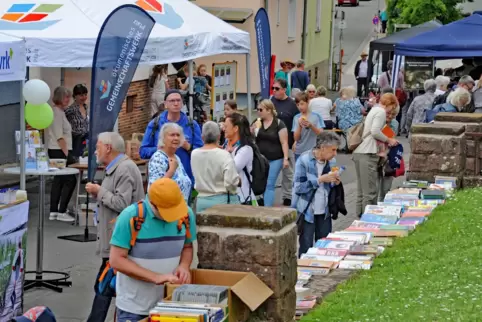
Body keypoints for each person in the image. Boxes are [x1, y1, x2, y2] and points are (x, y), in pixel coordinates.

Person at [109, 178, 196, 321]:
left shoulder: (186, 214)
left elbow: (187, 246)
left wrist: (184, 266)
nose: (173, 216)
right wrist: (156, 277)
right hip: (135, 307)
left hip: (170, 306)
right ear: (153, 205)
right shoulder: (130, 216)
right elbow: (116, 260)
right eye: (169, 212)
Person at [84, 132, 145, 322]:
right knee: (107, 285)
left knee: (104, 286)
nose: (95, 151)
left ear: (109, 148)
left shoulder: (124, 169)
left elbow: (122, 204)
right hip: (116, 239)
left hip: (119, 241)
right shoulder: (117, 168)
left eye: (98, 147)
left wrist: (99, 191)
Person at [140, 89, 203, 185]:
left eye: (178, 100)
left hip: (185, 178)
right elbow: (143, 152)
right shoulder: (155, 124)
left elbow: (201, 153)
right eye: (172, 101)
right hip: (161, 178)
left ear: (182, 103)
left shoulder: (191, 124)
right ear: (165, 104)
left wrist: (188, 147)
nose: (176, 103)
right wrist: (159, 149)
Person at [293, 132, 341, 255]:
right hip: (307, 210)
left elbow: (329, 187)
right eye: (333, 150)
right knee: (306, 248)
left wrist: (335, 182)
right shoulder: (304, 160)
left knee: (323, 247)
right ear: (323, 148)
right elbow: (298, 188)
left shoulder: (332, 162)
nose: (335, 154)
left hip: (324, 211)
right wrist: (319, 180)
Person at [353, 93, 399, 217]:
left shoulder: (374, 110)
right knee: (370, 192)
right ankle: (369, 219)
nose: (391, 112)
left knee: (362, 191)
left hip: (360, 152)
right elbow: (375, 132)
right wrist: (389, 140)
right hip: (368, 153)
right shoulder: (381, 112)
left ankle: (360, 216)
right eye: (392, 107)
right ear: (390, 104)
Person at [191, 122, 240, 212]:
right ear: (218, 136)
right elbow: (230, 182)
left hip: (201, 200)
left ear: (202, 137)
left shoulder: (194, 154)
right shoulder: (224, 155)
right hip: (223, 201)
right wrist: (238, 181)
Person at [45, 86, 76, 222]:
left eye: (68, 97)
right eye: (65, 97)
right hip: (59, 150)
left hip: (57, 149)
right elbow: (59, 136)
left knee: (59, 180)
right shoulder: (56, 113)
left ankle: (54, 210)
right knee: (69, 179)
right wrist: (67, 155)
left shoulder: (59, 112)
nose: (68, 99)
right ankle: (61, 210)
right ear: (59, 97)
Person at [252, 99, 289, 207]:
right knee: (261, 182)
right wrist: (252, 131)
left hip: (275, 158)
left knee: (269, 184)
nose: (258, 111)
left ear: (269, 110)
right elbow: (251, 137)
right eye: (258, 109)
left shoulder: (278, 124)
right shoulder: (257, 122)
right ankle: (262, 202)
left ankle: (267, 209)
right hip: (260, 159)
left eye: (260, 109)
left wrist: (286, 158)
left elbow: (284, 142)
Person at [271, 78, 298, 206]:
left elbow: (296, 123)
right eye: (273, 88)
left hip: (288, 142)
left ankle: (288, 196)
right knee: (271, 171)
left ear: (284, 89)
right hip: (273, 142)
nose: (274, 91)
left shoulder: (292, 104)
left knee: (288, 172)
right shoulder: (271, 102)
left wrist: (296, 140)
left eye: (277, 88)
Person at [148, 123, 192, 202]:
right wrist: (171, 171)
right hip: (164, 211)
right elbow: (155, 189)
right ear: (163, 138)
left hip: (180, 209)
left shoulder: (176, 157)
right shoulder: (158, 158)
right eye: (172, 135)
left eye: (178, 135)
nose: (176, 138)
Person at [224, 113, 257, 205]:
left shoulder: (246, 149)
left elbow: (232, 169)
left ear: (235, 129)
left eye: (226, 126)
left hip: (243, 198)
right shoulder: (225, 146)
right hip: (227, 197)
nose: (223, 128)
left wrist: (227, 153)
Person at [293, 92, 324, 161]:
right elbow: (296, 138)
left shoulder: (316, 116)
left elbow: (321, 134)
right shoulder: (296, 117)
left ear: (308, 102)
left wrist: (311, 126)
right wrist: (300, 126)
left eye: (302, 104)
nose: (300, 107)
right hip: (300, 151)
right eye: (297, 105)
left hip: (313, 151)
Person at [378, 105, 400, 202]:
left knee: (386, 186)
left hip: (388, 155)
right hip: (376, 155)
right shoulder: (377, 121)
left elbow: (392, 139)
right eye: (388, 113)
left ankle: (383, 202)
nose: (390, 116)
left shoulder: (394, 123)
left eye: (393, 114)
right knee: (373, 187)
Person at [65, 84, 89, 159]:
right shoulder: (70, 109)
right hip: (75, 140)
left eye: (85, 94)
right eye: (81, 95)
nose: (84, 97)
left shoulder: (86, 107)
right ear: (75, 96)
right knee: (76, 160)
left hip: (86, 139)